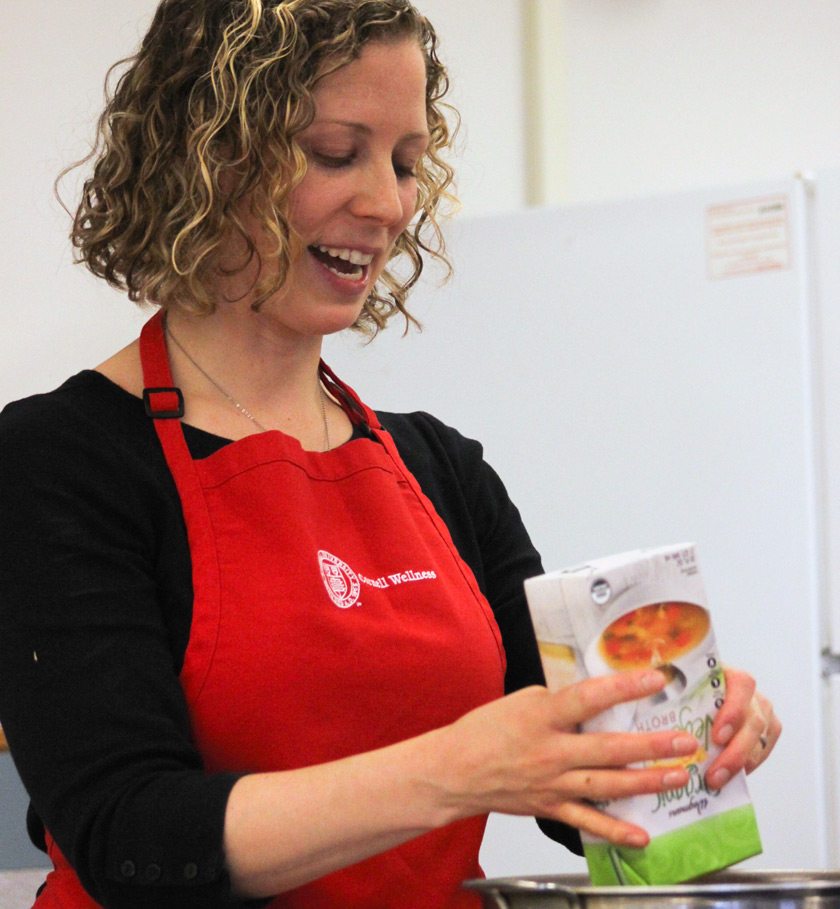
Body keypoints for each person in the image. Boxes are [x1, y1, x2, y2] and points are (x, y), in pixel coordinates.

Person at [0, 1, 780, 907]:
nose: (389, 202)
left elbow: (573, 777)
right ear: (205, 158)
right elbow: (131, 836)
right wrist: (456, 771)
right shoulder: (60, 461)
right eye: (337, 152)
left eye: (407, 161)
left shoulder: (440, 468)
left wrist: (683, 744)